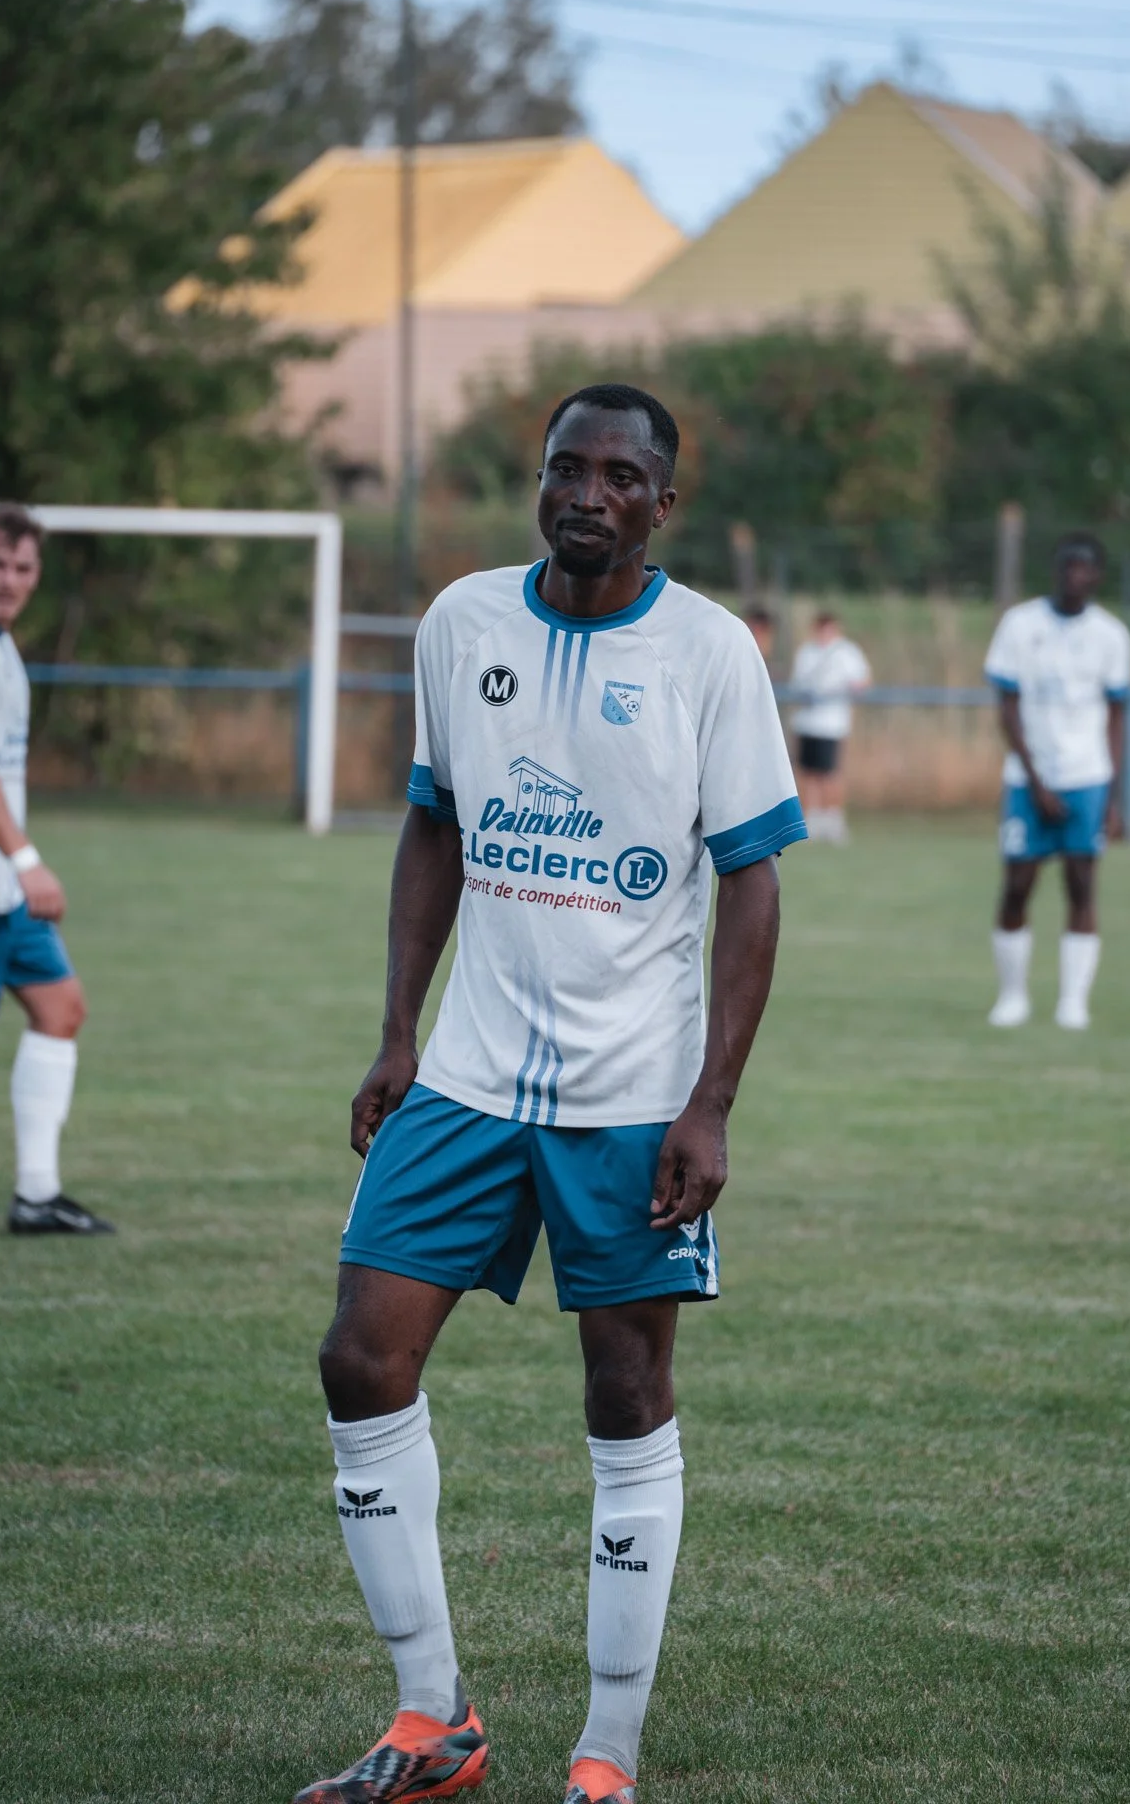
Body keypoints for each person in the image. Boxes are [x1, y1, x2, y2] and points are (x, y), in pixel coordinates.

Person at [297, 384, 807, 1804]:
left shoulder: (711, 653)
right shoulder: (463, 623)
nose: (585, 491)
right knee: (360, 1357)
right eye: (564, 468)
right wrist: (398, 1029)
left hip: (633, 1094)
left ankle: (607, 1754)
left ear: (661, 502)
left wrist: (709, 1105)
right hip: (464, 1076)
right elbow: (434, 823)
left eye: (618, 475)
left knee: (628, 1389)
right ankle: (429, 1722)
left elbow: (753, 886)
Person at [0, 505, 108, 1234]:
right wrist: (27, 859)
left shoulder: (3, 648)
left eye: (22, 567)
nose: (8, 580)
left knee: (60, 1007)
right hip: (5, 880)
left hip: (4, 895)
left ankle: (36, 1194)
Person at [984, 533, 1130, 1031]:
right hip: (1029, 780)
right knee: (1017, 885)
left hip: (1087, 777)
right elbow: (1007, 709)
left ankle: (1073, 1002)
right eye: (1068, 566)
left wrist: (1113, 793)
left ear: (1098, 576)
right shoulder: (1020, 624)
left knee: (1082, 883)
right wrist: (1036, 780)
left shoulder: (1111, 635)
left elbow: (1116, 716)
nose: (1076, 576)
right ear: (1056, 571)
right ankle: (1012, 998)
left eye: (1085, 568)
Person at [789, 610, 871, 843]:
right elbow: (797, 684)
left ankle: (833, 819)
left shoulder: (847, 652)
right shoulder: (807, 652)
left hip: (832, 724)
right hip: (807, 723)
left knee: (831, 773)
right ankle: (811, 819)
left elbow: (863, 680)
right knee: (807, 772)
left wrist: (851, 687)